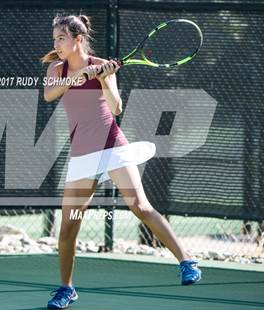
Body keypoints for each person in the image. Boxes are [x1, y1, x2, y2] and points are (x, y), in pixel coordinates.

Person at [41, 14, 201, 309]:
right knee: (69, 227)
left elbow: (116, 107)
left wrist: (103, 79)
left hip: (112, 146)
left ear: (78, 40)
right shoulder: (56, 68)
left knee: (140, 206)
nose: (56, 44)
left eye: (61, 38)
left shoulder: (103, 67)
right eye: (55, 39)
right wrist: (82, 77)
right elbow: (50, 94)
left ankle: (187, 261)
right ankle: (66, 288)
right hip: (82, 155)